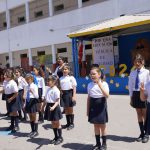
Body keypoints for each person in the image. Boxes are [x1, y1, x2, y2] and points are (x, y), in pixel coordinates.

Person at [87, 66, 109, 150]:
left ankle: (104, 144)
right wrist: (87, 110)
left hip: (101, 106)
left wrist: (100, 86)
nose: (92, 75)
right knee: (95, 125)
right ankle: (97, 143)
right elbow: (89, 98)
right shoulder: (89, 85)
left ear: (99, 74)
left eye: (94, 74)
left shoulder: (104, 84)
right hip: (93, 107)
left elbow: (107, 95)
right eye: (91, 74)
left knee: (102, 126)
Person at [128, 54, 150, 143]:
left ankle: (146, 133)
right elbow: (130, 85)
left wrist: (147, 95)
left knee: (145, 114)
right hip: (135, 94)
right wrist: (131, 97)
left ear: (142, 62)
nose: (137, 63)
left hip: (144, 93)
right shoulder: (132, 72)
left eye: (139, 61)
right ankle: (141, 133)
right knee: (138, 113)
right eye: (135, 61)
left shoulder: (147, 72)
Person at [42, 75, 63, 145]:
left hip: (55, 107)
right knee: (53, 123)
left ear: (54, 82)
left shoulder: (56, 90)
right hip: (49, 106)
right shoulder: (48, 89)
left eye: (49, 81)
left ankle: (60, 137)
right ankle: (56, 137)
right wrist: (42, 107)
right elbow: (46, 100)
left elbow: (57, 101)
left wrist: (53, 107)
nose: (47, 82)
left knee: (57, 123)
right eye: (47, 81)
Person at [59, 64, 77, 130]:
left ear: (69, 70)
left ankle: (72, 123)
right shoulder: (60, 78)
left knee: (70, 109)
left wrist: (74, 96)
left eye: (66, 69)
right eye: (63, 69)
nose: (64, 70)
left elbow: (74, 87)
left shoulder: (71, 78)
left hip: (69, 94)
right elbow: (60, 87)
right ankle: (68, 123)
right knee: (66, 109)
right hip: (63, 95)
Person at [24, 73, 39, 138]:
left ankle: (36, 131)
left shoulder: (34, 86)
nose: (27, 80)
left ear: (32, 79)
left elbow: (37, 96)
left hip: (33, 101)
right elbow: (25, 96)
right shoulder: (26, 86)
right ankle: (32, 130)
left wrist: (32, 91)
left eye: (29, 79)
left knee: (34, 116)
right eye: (26, 79)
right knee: (30, 117)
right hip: (28, 101)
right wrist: (24, 104)